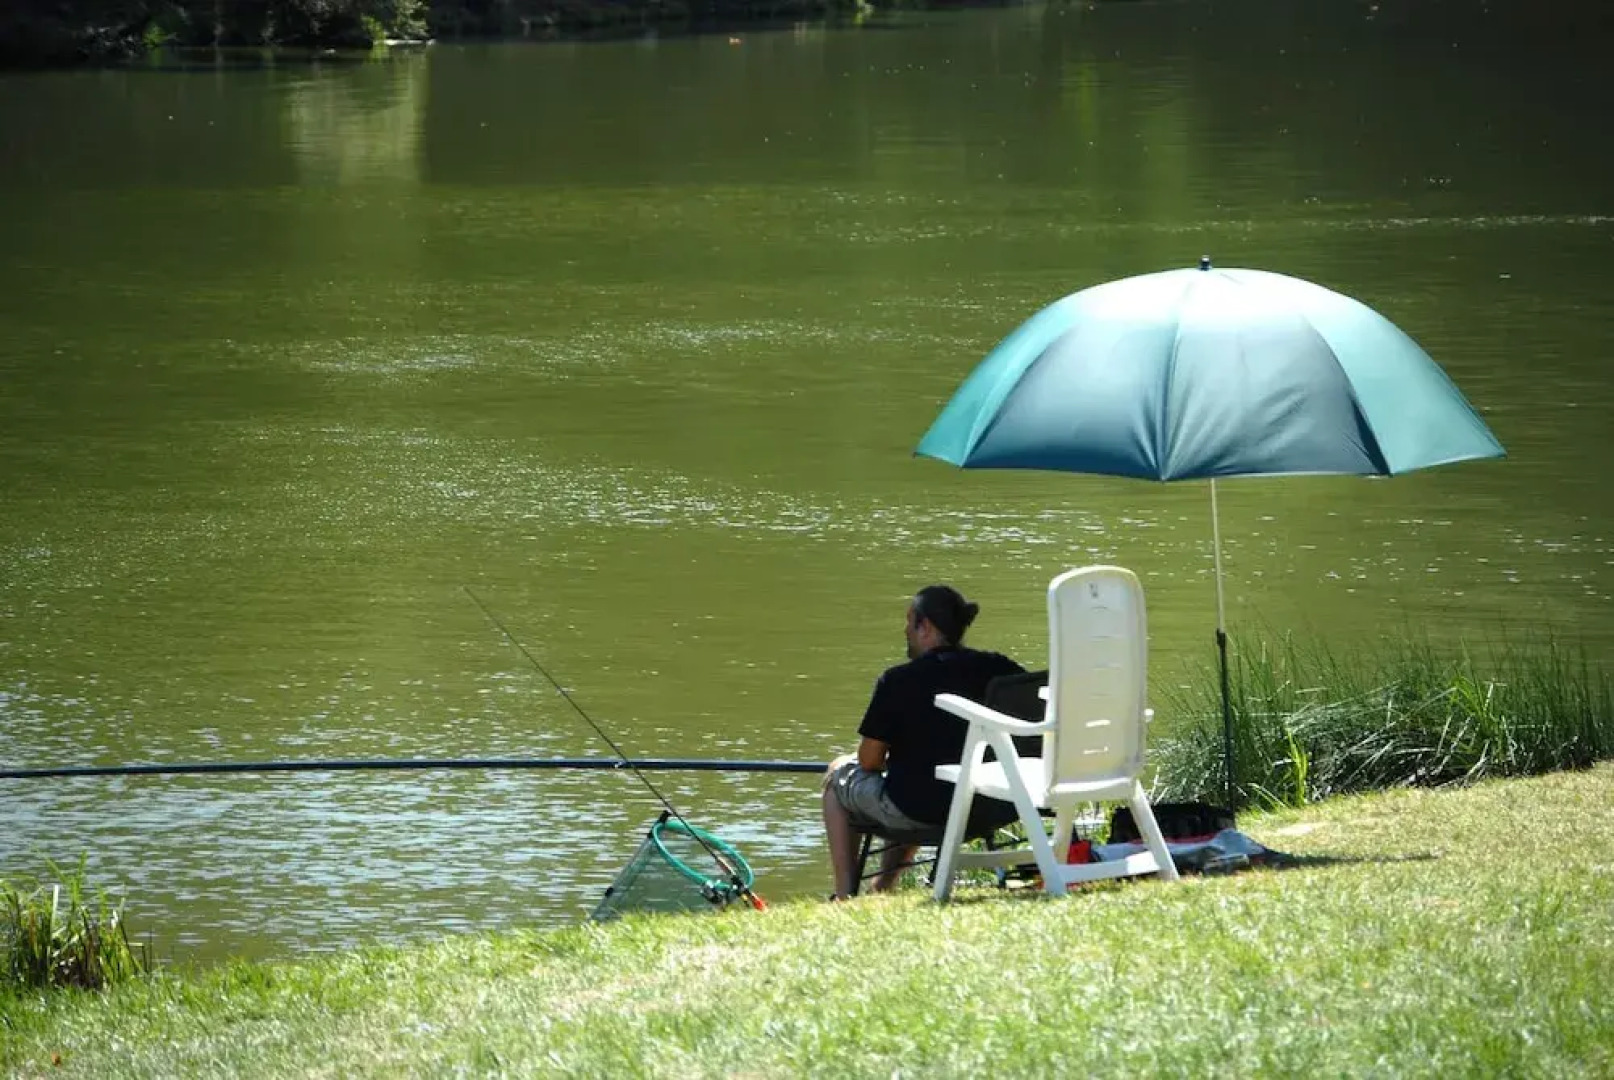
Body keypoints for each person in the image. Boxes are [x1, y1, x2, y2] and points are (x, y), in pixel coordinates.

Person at [822, 584, 1024, 899]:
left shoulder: (897, 680)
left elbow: (868, 762)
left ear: (925, 625)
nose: (905, 629)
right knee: (908, 783)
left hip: (921, 810)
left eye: (909, 620)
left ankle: (844, 894)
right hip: (993, 806)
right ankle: (882, 889)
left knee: (838, 778)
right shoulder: (1000, 668)